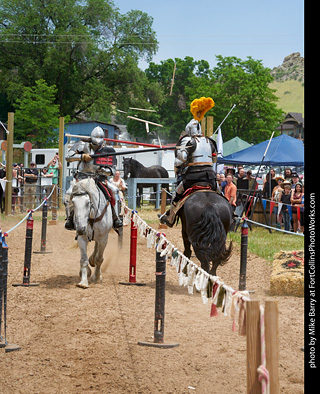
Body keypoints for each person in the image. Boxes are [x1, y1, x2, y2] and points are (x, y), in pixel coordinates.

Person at [158, 97, 217, 227]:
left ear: (189, 130)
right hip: (210, 177)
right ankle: (233, 215)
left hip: (193, 177)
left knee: (176, 194)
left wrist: (180, 163)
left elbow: (181, 160)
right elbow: (214, 158)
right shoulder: (210, 141)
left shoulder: (189, 142)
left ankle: (170, 217)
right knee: (220, 193)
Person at [65, 126, 122, 231]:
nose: (98, 146)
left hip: (98, 179)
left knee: (115, 191)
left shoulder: (107, 150)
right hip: (81, 178)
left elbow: (112, 170)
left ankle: (116, 217)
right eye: (96, 144)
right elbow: (68, 156)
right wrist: (82, 157)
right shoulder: (82, 145)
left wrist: (104, 171)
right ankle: (70, 218)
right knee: (69, 194)